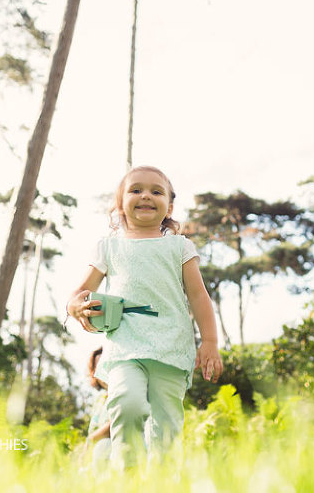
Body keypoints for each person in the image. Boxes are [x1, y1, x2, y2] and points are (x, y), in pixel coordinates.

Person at [67, 165, 223, 467]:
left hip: (171, 350)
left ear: (170, 206)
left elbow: (199, 297)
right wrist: (74, 307)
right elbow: (80, 292)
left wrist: (210, 342)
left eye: (156, 191)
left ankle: (161, 482)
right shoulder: (108, 248)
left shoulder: (179, 247)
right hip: (125, 348)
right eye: (136, 189)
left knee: (166, 426)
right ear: (119, 203)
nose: (146, 196)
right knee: (126, 405)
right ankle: (128, 476)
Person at [86, 347, 111, 464]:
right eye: (99, 367)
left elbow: (114, 424)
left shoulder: (123, 393)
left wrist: (91, 440)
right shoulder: (100, 400)